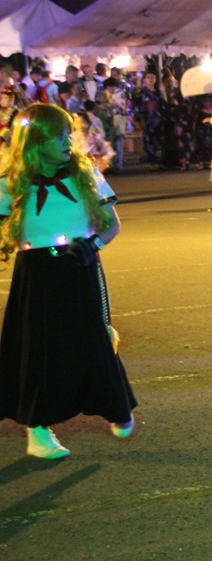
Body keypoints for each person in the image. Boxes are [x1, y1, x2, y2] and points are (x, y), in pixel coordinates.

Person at [0, 103, 137, 459]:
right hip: (35, 277)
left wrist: (92, 246)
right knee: (37, 352)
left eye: (67, 134)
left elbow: (112, 224)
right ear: (36, 141)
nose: (67, 141)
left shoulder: (85, 173)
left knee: (94, 342)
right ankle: (38, 431)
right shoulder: (11, 181)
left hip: (81, 268)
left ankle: (117, 406)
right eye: (58, 136)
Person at [72, 102, 116, 172]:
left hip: (93, 170)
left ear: (88, 123)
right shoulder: (71, 138)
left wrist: (102, 161)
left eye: (83, 122)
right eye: (77, 123)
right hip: (77, 170)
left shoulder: (94, 137)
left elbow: (107, 150)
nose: (81, 125)